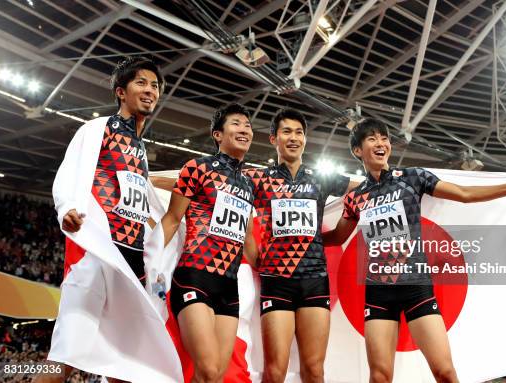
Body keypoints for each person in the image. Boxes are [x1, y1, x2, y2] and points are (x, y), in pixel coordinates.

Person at [323, 118, 506, 383]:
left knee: (445, 372)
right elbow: (336, 236)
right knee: (379, 377)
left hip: (416, 287)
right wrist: (301, 239)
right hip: (379, 291)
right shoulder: (355, 198)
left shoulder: (413, 177)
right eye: (372, 139)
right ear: (358, 150)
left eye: (384, 138)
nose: (381, 143)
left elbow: (463, 194)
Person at [37, 56, 165, 383]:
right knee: (65, 357)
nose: (150, 90)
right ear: (121, 92)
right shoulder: (98, 129)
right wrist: (68, 209)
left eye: (154, 85)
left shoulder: (140, 148)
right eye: (141, 83)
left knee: (127, 365)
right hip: (97, 255)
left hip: (132, 266)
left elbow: (143, 203)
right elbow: (71, 173)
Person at [243, 109, 357, 383]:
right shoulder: (256, 179)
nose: (293, 137)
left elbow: (363, 191)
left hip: (315, 282)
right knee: (275, 370)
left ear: (305, 139)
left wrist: (338, 233)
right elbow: (216, 187)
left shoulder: (322, 178)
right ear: (273, 139)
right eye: (286, 132)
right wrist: (255, 254)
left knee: (314, 371)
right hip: (277, 282)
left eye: (299, 132)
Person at [160, 103, 255, 383]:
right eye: (236, 123)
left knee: (215, 377)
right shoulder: (198, 168)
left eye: (248, 125)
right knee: (208, 370)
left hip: (228, 286)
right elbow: (173, 218)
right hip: (194, 278)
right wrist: (146, 264)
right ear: (217, 134)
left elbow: (248, 238)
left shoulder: (248, 184)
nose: (244, 129)